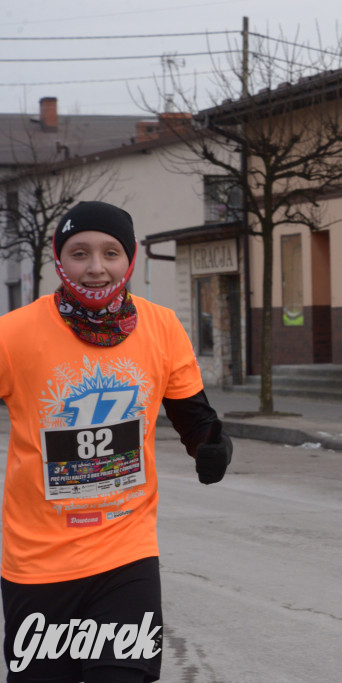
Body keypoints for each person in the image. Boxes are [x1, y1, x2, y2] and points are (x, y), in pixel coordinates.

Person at [0, 201, 232, 683]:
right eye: (80, 253)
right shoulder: (13, 333)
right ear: (59, 259)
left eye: (111, 253)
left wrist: (212, 446)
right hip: (38, 563)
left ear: (130, 260)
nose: (96, 268)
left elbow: (195, 417)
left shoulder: (162, 326)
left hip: (126, 552)